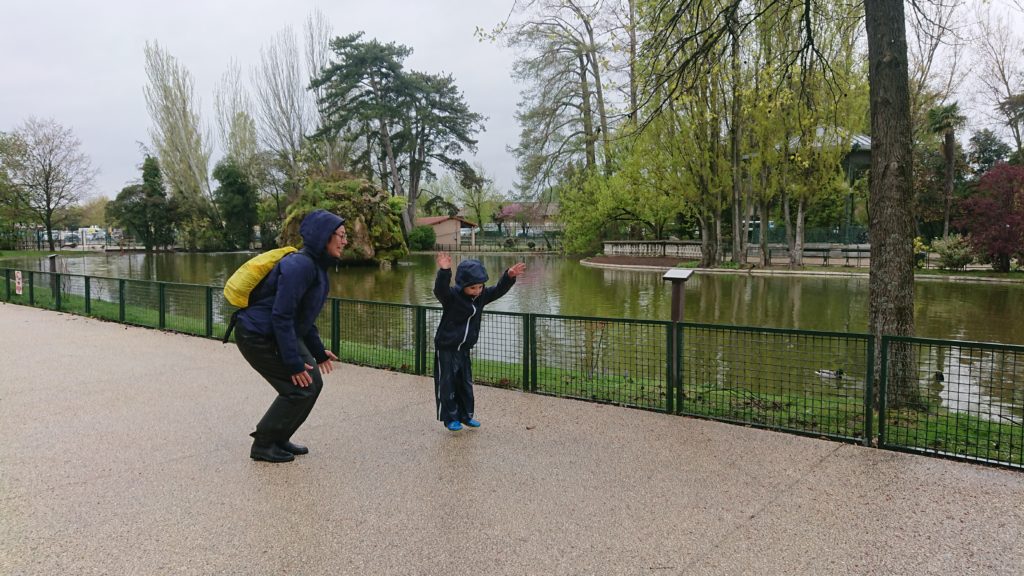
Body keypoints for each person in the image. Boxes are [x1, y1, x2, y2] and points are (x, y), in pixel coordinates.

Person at [234, 209, 347, 462]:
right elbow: (282, 316)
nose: (345, 241)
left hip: (277, 333)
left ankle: (279, 437)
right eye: (340, 235)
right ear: (323, 236)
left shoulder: (317, 268)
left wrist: (318, 352)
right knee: (299, 389)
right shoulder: (300, 266)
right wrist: (293, 363)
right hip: (257, 335)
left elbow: (304, 318)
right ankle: (263, 444)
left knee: (313, 383)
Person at [432, 252, 526, 431]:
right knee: (447, 383)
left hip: (464, 349)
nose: (477, 291)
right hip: (447, 348)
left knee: (465, 383)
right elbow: (440, 290)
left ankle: (466, 415)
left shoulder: (481, 297)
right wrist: (444, 271)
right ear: (463, 285)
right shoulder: (452, 297)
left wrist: (509, 276)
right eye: (472, 288)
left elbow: (497, 290)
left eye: (480, 287)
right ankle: (450, 418)